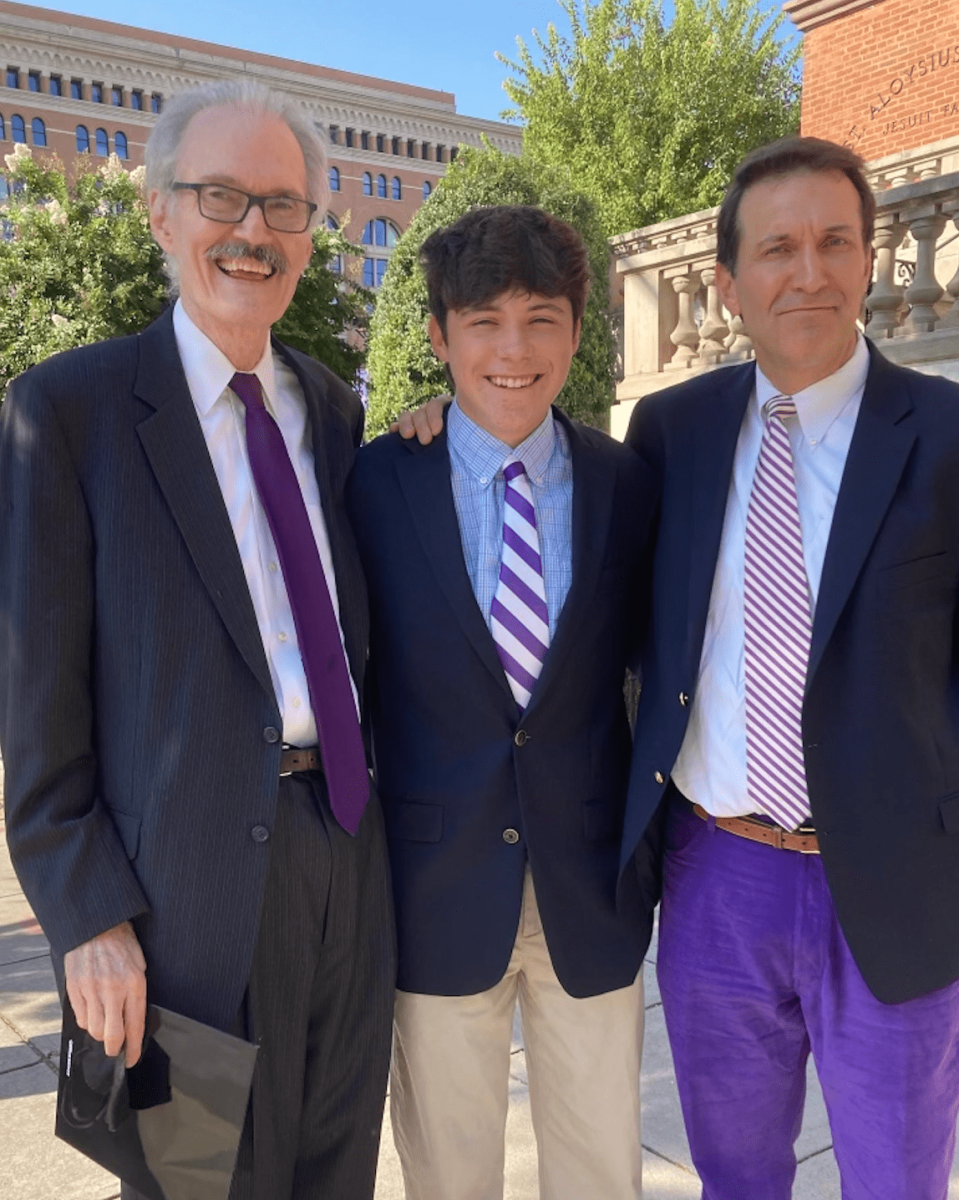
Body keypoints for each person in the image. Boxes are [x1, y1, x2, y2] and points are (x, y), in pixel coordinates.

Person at [0, 80, 394, 1200]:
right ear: (162, 214)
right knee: (192, 1185)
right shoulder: (66, 411)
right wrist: (87, 917)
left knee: (331, 1175)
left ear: (312, 235)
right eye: (221, 197)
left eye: (282, 204)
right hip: (178, 902)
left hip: (346, 863)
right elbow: (37, 702)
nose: (252, 231)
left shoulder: (331, 408)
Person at [619, 136, 959, 1197]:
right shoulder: (669, 430)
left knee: (895, 1178)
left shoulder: (946, 434)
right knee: (735, 1174)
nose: (805, 272)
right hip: (718, 874)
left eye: (831, 243)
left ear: (867, 261)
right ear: (726, 283)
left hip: (898, 880)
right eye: (774, 249)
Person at [347, 205, 658, 1200]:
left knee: (599, 1165)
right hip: (433, 886)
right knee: (446, 1168)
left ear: (577, 327)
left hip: (591, 884)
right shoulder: (373, 481)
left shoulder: (628, 482)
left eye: (540, 318)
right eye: (482, 321)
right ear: (438, 338)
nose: (512, 350)